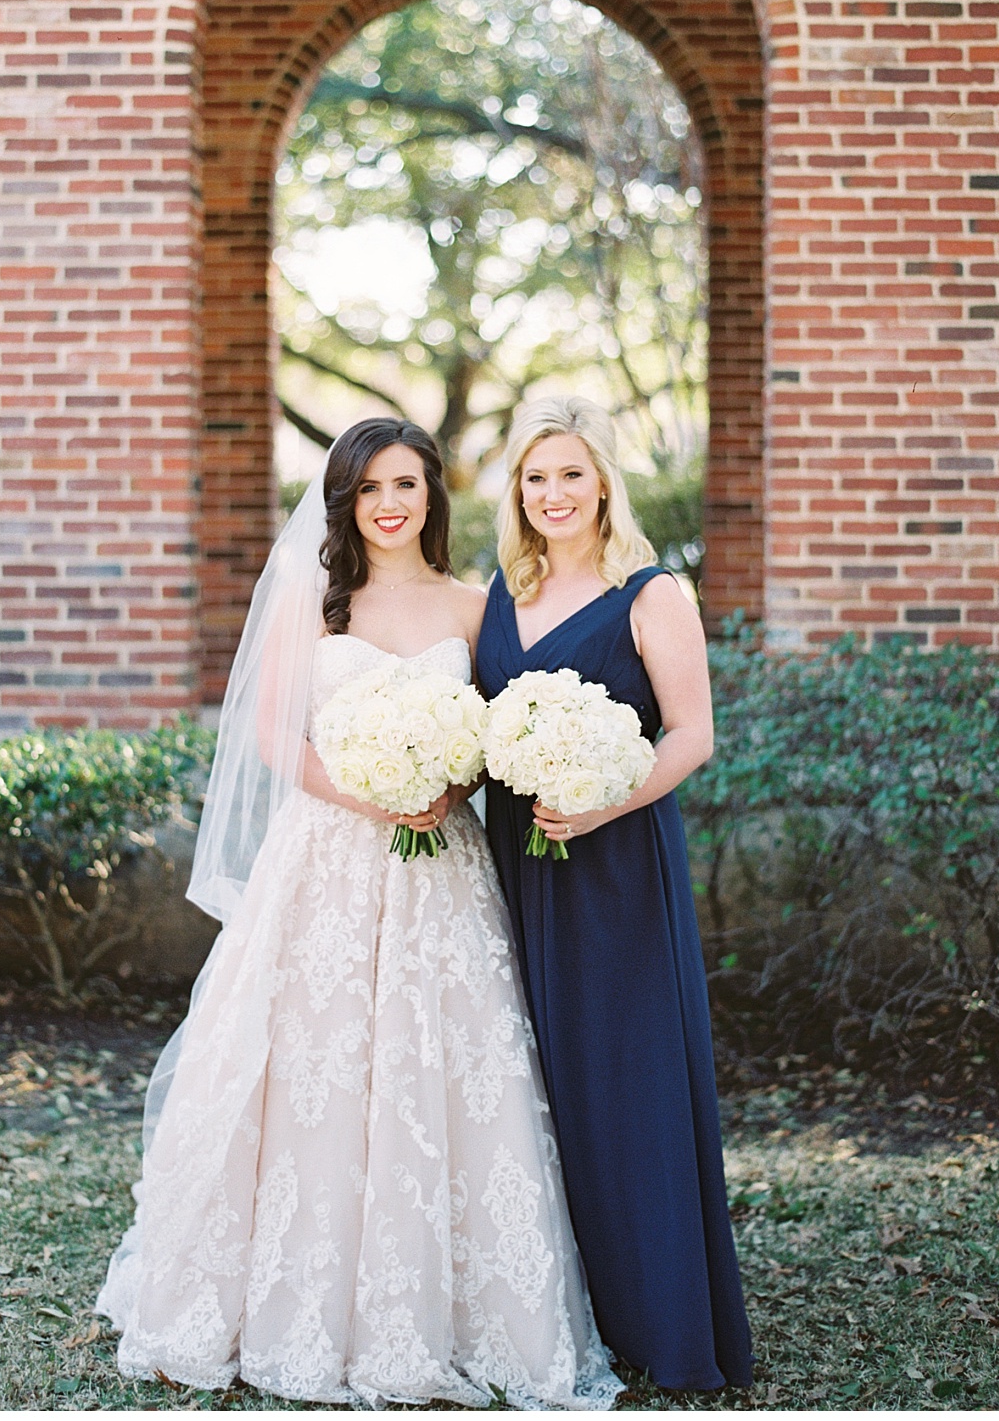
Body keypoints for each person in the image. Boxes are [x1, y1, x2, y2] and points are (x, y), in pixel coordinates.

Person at [96, 417, 622, 1410]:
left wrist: (448, 787)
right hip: (326, 863)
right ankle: (268, 1304)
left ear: (433, 493)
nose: (389, 505)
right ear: (345, 504)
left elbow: (498, 732)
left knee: (446, 1074)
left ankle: (448, 1317)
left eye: (407, 485)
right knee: (311, 1076)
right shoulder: (314, 599)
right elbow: (270, 736)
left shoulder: (476, 604)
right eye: (369, 489)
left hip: (440, 869)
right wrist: (370, 796)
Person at [476, 396, 753, 1392]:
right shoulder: (500, 594)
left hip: (615, 867)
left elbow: (691, 733)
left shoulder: (652, 594)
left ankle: (664, 1323)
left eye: (571, 475)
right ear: (518, 490)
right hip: (514, 861)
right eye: (535, 477)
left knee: (623, 1079)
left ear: (603, 484)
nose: (553, 494)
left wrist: (601, 803)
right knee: (533, 1085)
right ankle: (559, 1315)